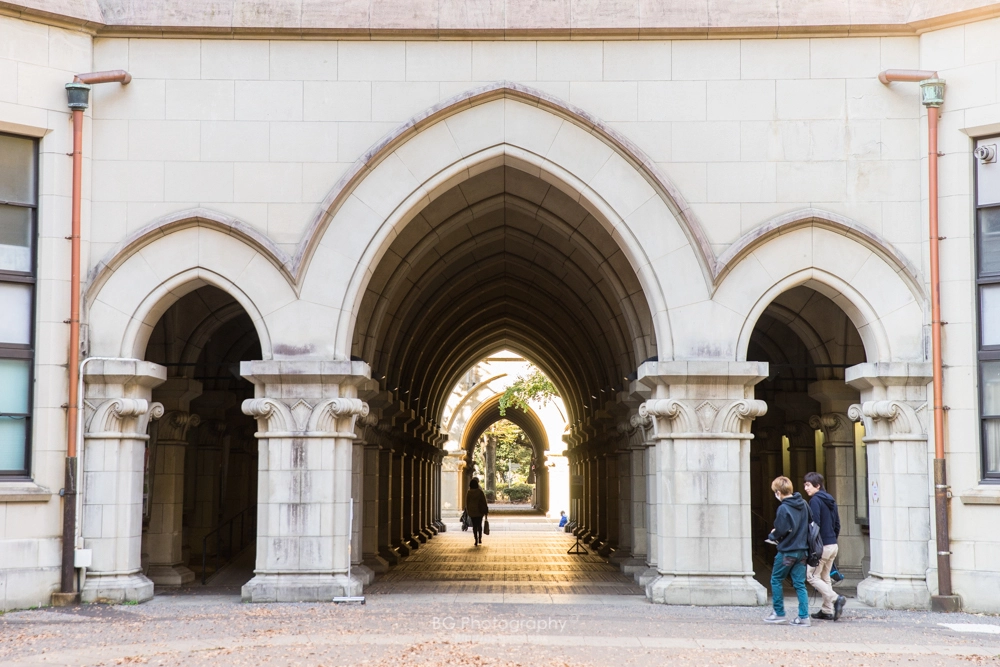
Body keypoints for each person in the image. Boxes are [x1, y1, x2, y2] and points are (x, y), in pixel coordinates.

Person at [764, 476, 811, 627]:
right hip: (802, 551)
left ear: (778, 492)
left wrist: (772, 534)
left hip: (787, 551)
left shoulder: (783, 508)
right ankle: (804, 617)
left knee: (776, 579)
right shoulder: (803, 503)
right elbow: (810, 521)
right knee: (800, 584)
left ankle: (779, 612)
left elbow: (781, 529)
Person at [803, 472, 847, 621]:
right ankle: (827, 610)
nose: (805, 488)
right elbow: (837, 524)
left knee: (811, 576)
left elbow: (814, 525)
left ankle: (836, 598)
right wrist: (832, 538)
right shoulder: (830, 500)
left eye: (808, 485)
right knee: (824, 576)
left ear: (817, 485)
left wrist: (813, 544)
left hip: (821, 546)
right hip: (832, 544)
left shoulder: (815, 500)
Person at [465, 477, 489, 546]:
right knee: (479, 525)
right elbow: (484, 501)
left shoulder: (469, 493)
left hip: (472, 511)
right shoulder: (480, 492)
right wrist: (486, 510)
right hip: (480, 511)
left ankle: (476, 539)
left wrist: (468, 510)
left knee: (474, 526)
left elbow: (467, 502)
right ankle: (480, 538)